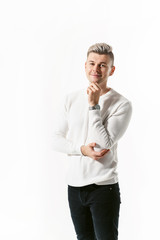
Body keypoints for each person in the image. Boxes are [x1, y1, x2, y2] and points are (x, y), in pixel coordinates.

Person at [52, 43, 132, 240]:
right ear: (85, 66)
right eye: (92, 63)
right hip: (75, 187)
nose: (96, 69)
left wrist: (94, 105)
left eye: (103, 65)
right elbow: (54, 139)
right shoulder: (70, 99)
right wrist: (81, 150)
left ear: (111, 70)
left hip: (103, 188)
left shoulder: (121, 104)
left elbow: (104, 144)